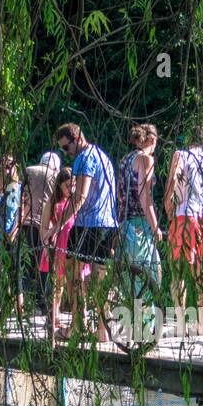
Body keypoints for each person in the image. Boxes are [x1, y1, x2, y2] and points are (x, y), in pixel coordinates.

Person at [55, 123, 117, 341]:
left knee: (72, 269)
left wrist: (57, 226)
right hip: (108, 222)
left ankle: (78, 324)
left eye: (66, 148)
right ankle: (102, 330)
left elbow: (80, 197)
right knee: (101, 276)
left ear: (77, 139)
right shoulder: (103, 156)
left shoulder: (84, 158)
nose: (66, 153)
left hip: (88, 223)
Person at [164, 125, 203, 326]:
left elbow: (172, 184)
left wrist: (169, 208)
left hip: (184, 216)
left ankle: (180, 322)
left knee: (177, 271)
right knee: (201, 271)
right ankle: (202, 323)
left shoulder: (181, 155)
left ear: (188, 139)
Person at [39, 168, 85, 338]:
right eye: (67, 186)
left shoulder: (75, 202)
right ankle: (53, 315)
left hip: (73, 245)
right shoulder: (52, 202)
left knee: (76, 283)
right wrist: (46, 245)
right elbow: (44, 227)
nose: (71, 189)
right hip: (59, 247)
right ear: (59, 185)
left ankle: (78, 320)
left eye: (73, 185)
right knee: (58, 285)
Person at [117, 124, 163, 285]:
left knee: (131, 280)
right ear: (152, 139)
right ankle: (146, 311)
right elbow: (145, 196)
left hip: (124, 223)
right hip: (140, 225)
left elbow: (120, 194)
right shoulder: (145, 159)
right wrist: (155, 226)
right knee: (150, 279)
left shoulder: (125, 160)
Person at [21, 150, 62, 318]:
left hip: (26, 222)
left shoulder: (28, 170)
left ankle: (25, 299)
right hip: (47, 226)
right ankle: (42, 301)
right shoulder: (56, 176)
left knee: (27, 263)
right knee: (44, 266)